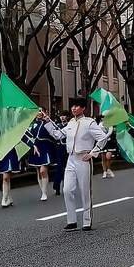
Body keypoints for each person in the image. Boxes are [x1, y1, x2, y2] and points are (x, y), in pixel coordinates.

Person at [43, 98, 107, 231]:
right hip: (71, 159)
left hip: (83, 159)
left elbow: (102, 137)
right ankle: (71, 220)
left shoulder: (89, 122)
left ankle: (86, 221)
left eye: (77, 106)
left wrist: (93, 153)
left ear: (83, 108)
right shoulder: (71, 122)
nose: (73, 108)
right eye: (72, 106)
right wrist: (47, 122)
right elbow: (58, 135)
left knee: (85, 191)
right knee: (67, 190)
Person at [28, 108, 57, 201]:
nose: (39, 113)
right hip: (35, 148)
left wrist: (48, 121)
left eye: (41, 111)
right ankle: (42, 190)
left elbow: (54, 134)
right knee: (38, 170)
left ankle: (44, 192)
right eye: (37, 111)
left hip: (45, 147)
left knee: (43, 171)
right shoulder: (32, 124)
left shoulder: (47, 123)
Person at [52, 111, 71, 196]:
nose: (62, 117)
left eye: (64, 116)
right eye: (61, 116)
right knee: (59, 167)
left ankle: (67, 186)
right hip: (59, 148)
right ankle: (57, 186)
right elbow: (54, 135)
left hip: (67, 148)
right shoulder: (57, 126)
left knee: (68, 168)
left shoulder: (70, 126)